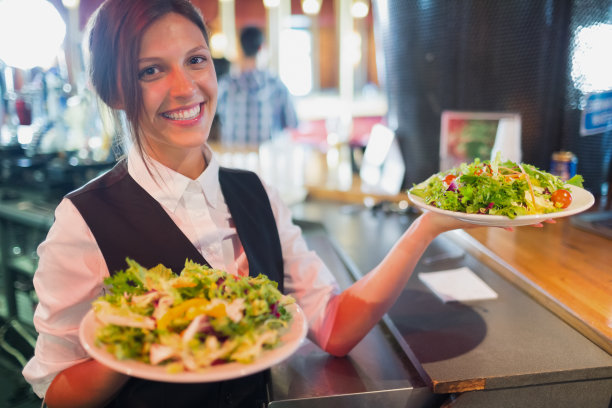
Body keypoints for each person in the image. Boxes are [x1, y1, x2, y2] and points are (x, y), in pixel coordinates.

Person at [21, 1, 548, 407]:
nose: (186, 88)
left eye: (196, 60)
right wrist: (135, 336)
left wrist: (428, 226)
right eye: (150, 71)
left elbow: (334, 327)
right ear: (114, 89)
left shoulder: (256, 193)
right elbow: (56, 395)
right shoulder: (84, 222)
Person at [215, 25, 298, 147]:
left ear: (240, 49)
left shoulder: (224, 86)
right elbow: (292, 123)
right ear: (262, 48)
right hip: (267, 161)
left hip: (233, 160)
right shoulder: (277, 85)